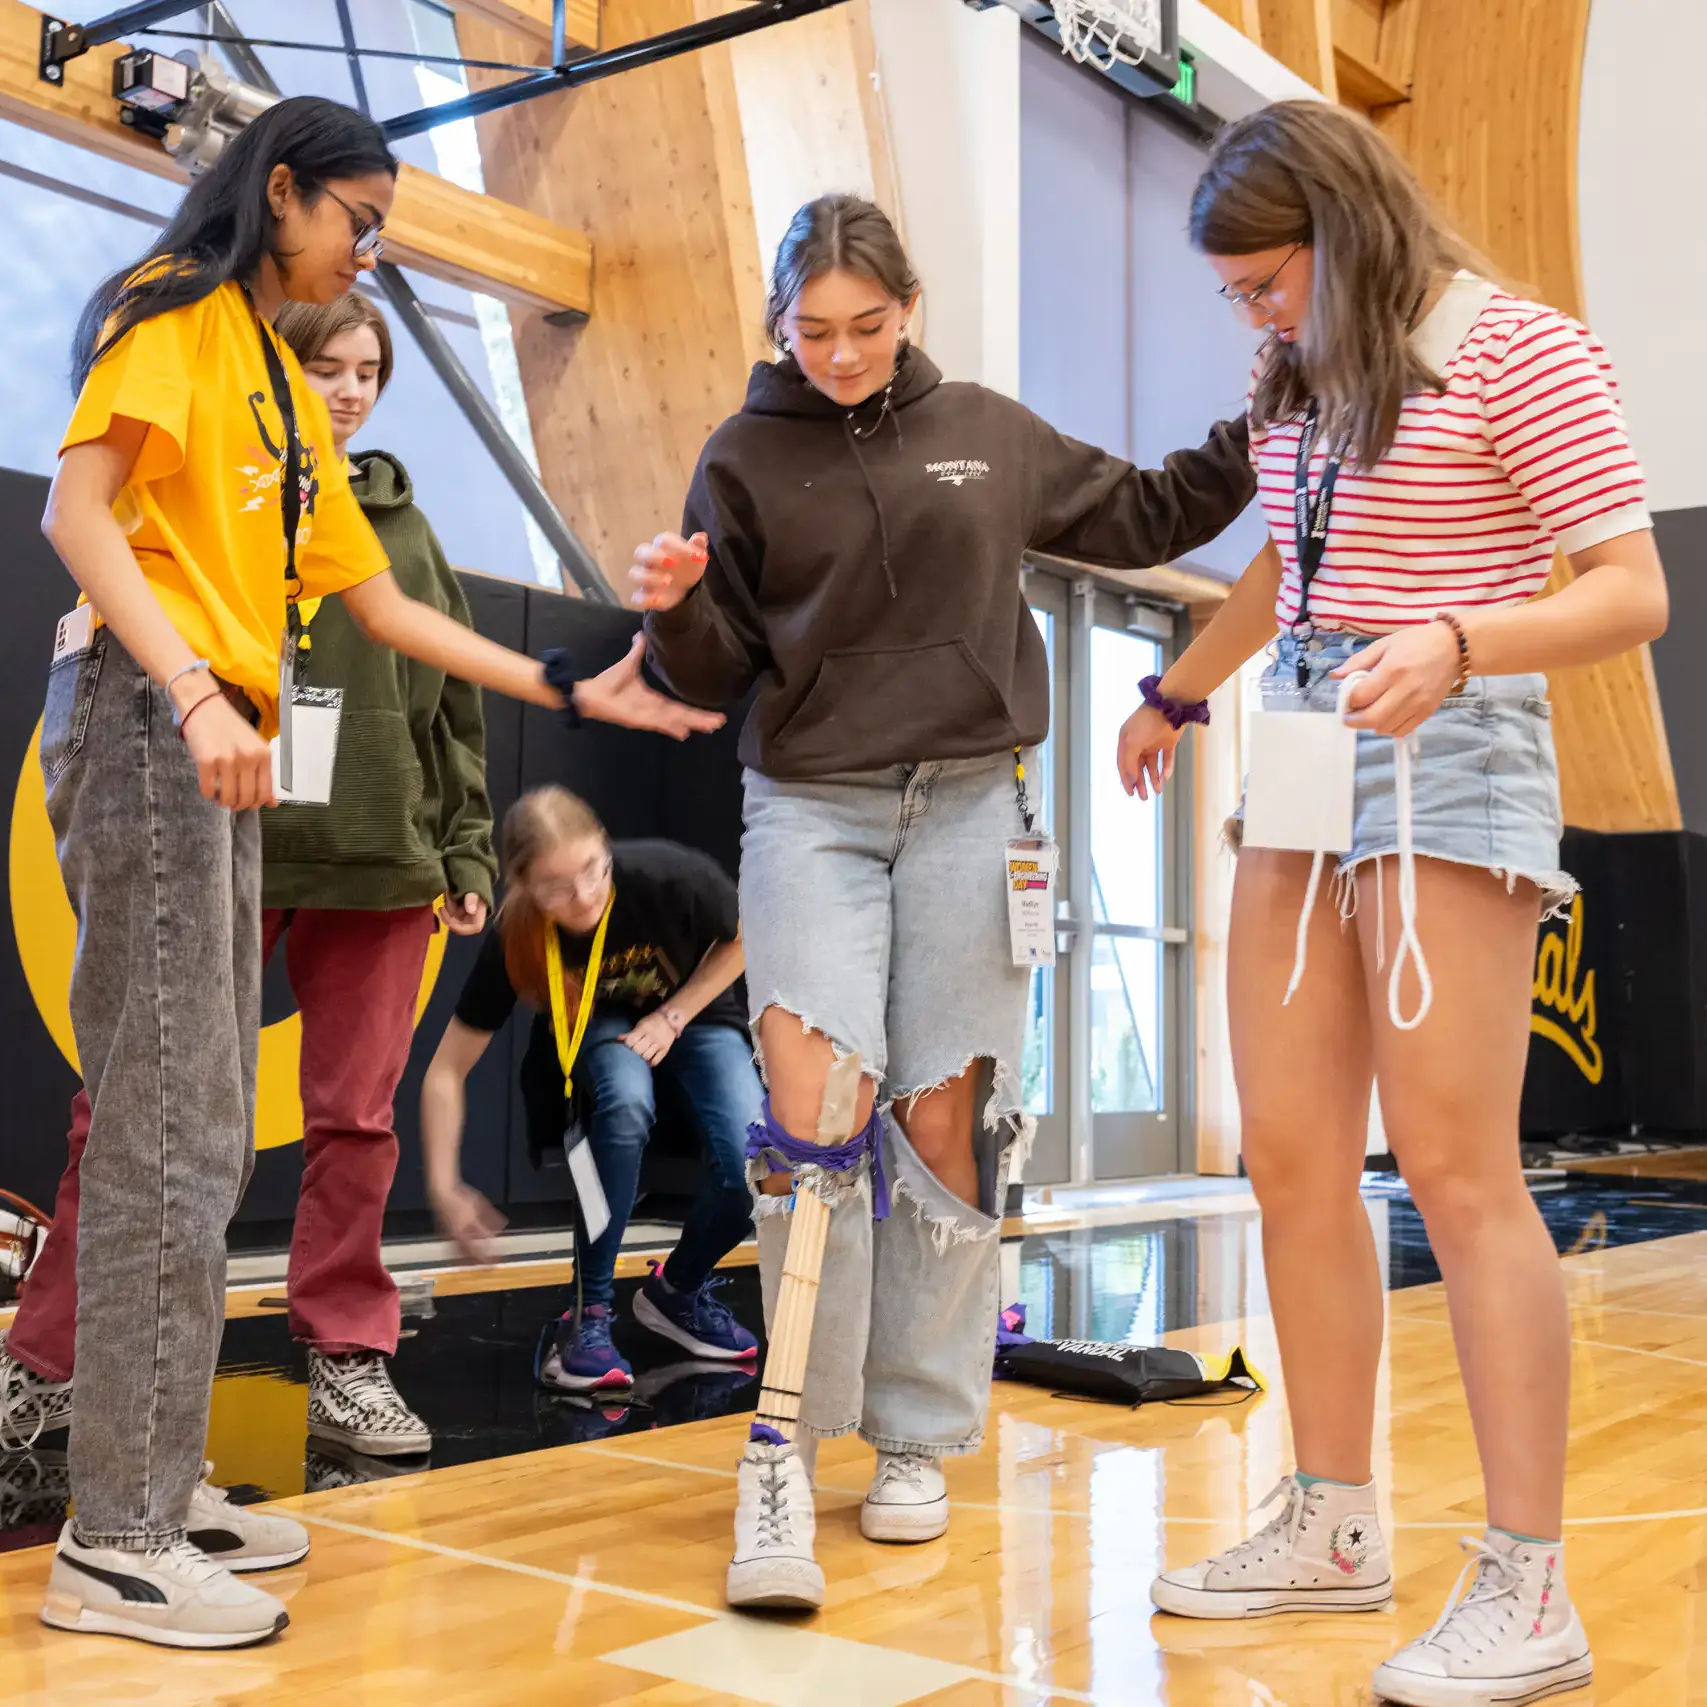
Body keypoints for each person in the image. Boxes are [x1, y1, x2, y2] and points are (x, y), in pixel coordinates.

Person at [35, 95, 718, 1653]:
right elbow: (83, 511)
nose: (367, 249)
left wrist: (570, 686)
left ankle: (151, 1480)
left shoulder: (279, 388)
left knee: (202, 1133)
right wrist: (201, 694)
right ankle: (117, 1537)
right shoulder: (179, 317)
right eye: (355, 217)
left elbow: (383, 604)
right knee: (165, 1122)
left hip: (212, 740)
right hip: (158, 723)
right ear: (278, 194)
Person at [631, 192, 1256, 1611]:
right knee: (814, 1114)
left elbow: (1150, 508)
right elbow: (711, 668)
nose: (840, 354)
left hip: (975, 802)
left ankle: (913, 1433)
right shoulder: (740, 454)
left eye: (865, 327)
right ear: (777, 326)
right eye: (812, 331)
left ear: (906, 309)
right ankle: (782, 1436)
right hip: (812, 807)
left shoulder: (986, 426)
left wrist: (1257, 419)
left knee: (934, 1118)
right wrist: (675, 602)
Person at [1128, 104, 1666, 1706]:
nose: (1250, 315)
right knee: (1288, 1152)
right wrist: (1174, 689)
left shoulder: (1519, 351)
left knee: (1451, 1162)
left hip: (1451, 732)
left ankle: (1526, 1581)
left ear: (1346, 233)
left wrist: (1454, 638)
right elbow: (1284, 566)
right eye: (1232, 295)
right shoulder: (1298, 372)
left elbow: (1627, 586)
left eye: (1263, 281)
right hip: (1300, 730)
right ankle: (1330, 1519)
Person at [0, 290, 501, 1469]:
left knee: (357, 1122)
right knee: (134, 1106)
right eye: (325, 364)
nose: (349, 388)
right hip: (231, 835)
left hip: (383, 869)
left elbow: (457, 721)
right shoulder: (220, 489)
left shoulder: (409, 538)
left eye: (368, 370)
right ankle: (52, 1364)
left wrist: (466, 853)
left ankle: (346, 1357)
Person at [421, 786, 760, 1390]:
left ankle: (677, 1290)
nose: (583, 896)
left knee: (754, 1158)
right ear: (523, 885)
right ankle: (590, 1314)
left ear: (605, 849)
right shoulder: (517, 936)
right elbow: (446, 1068)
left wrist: (673, 1015)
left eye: (592, 870)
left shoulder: (667, 874)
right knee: (625, 1103)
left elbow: (744, 937)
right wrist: (445, 1185)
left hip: (696, 1016)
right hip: (601, 1025)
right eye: (556, 886)